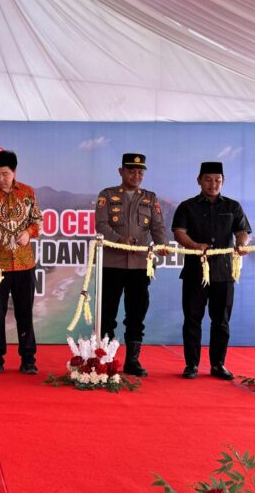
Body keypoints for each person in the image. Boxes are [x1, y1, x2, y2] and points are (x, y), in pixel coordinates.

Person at [172, 161, 251, 380]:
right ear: (199, 181)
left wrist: (242, 244)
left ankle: (218, 364)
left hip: (224, 273)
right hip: (195, 272)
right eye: (208, 179)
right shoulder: (187, 206)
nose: (213, 184)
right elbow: (179, 233)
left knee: (221, 321)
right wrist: (195, 246)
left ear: (223, 181)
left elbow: (242, 231)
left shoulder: (233, 206)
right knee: (192, 320)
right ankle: (191, 365)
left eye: (217, 180)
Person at [95, 153, 168, 377]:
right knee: (107, 315)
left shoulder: (150, 198)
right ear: (121, 172)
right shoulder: (107, 195)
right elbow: (101, 225)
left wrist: (162, 245)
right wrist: (120, 240)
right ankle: (105, 360)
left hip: (140, 266)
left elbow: (157, 227)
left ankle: (132, 361)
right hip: (112, 264)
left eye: (140, 172)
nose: (136, 175)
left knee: (136, 315)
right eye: (131, 171)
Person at [0, 150, 43, 375]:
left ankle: (28, 360)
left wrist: (29, 233)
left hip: (24, 264)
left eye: (5, 173)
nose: (0, 178)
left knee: (25, 313)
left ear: (14, 171)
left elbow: (38, 221)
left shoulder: (28, 192)